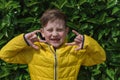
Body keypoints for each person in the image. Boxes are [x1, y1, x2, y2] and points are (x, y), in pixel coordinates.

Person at [0, 9, 106, 80]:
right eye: (50, 30)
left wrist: (87, 42)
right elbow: (5, 54)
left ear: (66, 31)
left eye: (59, 30)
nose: (54, 34)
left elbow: (100, 58)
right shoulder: (34, 50)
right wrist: (23, 40)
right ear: (42, 32)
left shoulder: (75, 51)